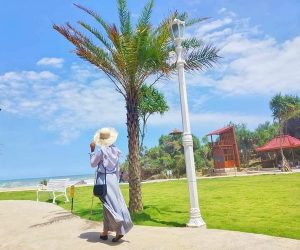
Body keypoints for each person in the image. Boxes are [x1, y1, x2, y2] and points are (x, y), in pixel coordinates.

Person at [89, 127, 133, 242]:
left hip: (104, 181)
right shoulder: (116, 151)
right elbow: (117, 169)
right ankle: (105, 231)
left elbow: (93, 164)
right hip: (113, 180)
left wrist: (92, 150)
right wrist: (116, 180)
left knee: (110, 206)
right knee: (112, 204)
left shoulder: (101, 151)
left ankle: (120, 230)